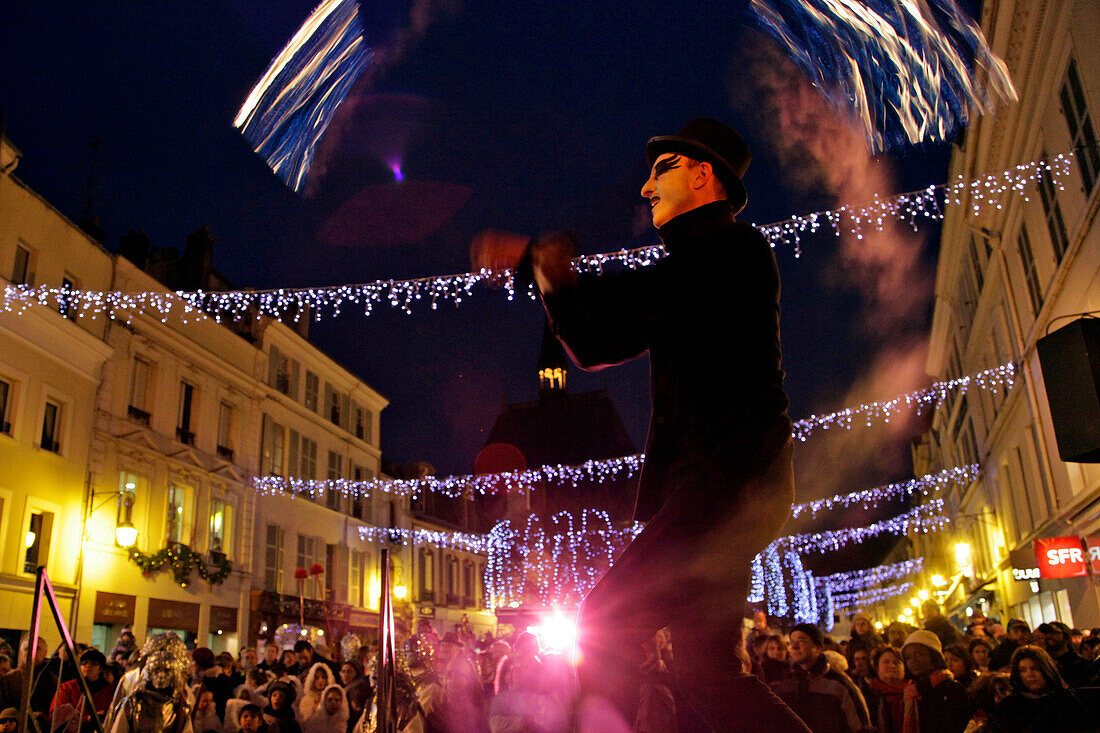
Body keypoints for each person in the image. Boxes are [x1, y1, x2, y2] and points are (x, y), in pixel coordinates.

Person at [472, 117, 808, 733]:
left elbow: (628, 304)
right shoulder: (694, 263)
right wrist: (548, 272)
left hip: (723, 487)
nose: (647, 188)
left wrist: (541, 262)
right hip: (723, 491)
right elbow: (598, 339)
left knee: (604, 627)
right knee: (705, 674)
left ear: (704, 175)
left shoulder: (730, 250)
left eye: (662, 171)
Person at [770, 623, 871, 733]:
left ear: (818, 647)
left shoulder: (839, 684)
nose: (794, 646)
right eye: (791, 642)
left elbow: (860, 726)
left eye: (802, 640)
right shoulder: (786, 683)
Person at [992, 645, 1091, 732]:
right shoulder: (1010, 706)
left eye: (1034, 668)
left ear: (1045, 669)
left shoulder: (1065, 700)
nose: (1029, 674)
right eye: (1023, 670)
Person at [110, 638, 193, 733]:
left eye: (167, 670)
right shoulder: (131, 704)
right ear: (149, 673)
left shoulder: (180, 707)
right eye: (157, 670)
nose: (161, 676)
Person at [899, 630, 972, 733]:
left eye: (919, 654)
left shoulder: (952, 690)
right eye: (908, 657)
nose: (913, 660)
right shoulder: (910, 693)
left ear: (933, 657)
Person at [50, 648, 115, 733]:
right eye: (84, 663)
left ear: (101, 669)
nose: (88, 666)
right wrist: (87, 718)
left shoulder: (109, 690)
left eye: (94, 664)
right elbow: (56, 715)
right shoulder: (67, 688)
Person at [0, 634, 57, 729]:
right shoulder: (7, 680)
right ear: (21, 652)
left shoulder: (53, 681)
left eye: (37, 648)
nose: (31, 651)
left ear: (45, 653)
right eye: (27, 648)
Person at [1035, 621, 1091, 688]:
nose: (1049, 636)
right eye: (1047, 633)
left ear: (1065, 636)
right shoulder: (1044, 663)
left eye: (1054, 633)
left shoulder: (1080, 664)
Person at [866, 647, 905, 733]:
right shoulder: (868, 694)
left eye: (897, 662)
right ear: (877, 667)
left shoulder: (914, 692)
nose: (891, 666)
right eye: (886, 662)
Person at [338, 662, 369, 733]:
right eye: (343, 672)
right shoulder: (344, 689)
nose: (346, 675)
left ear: (356, 673)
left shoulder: (357, 690)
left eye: (349, 672)